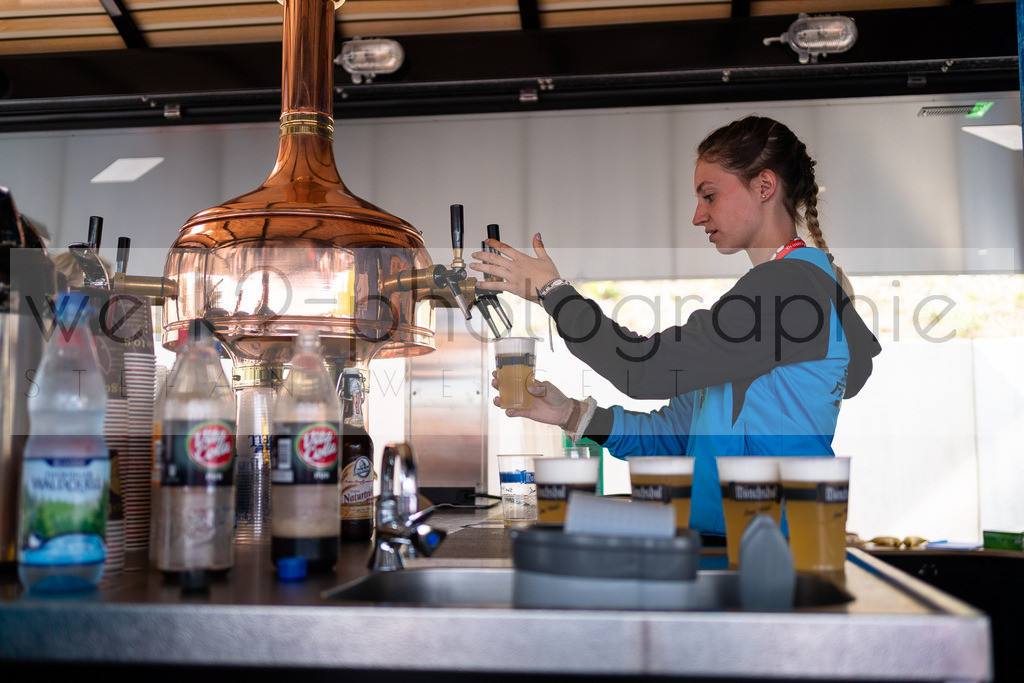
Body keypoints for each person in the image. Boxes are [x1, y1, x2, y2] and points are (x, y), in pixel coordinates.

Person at [469, 115, 881, 538]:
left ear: (764, 186)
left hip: (772, 546)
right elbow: (674, 436)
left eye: (710, 196)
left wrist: (553, 293)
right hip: (732, 542)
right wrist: (571, 414)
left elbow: (642, 368)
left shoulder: (788, 289)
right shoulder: (778, 291)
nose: (698, 216)